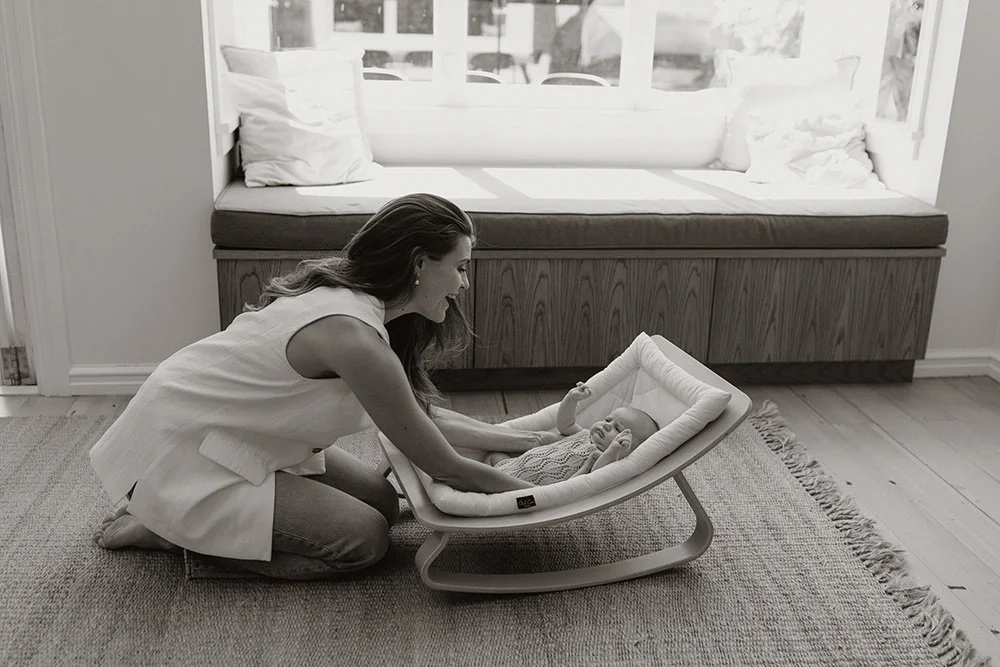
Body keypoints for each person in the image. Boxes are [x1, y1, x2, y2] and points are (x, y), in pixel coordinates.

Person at [89, 193, 561, 580]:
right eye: (459, 267)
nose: (464, 283)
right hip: (183, 449)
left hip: (234, 432)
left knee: (381, 502)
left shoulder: (362, 302)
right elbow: (443, 465)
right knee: (363, 541)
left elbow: (418, 416)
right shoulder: (353, 337)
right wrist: (547, 497)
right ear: (419, 263)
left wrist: (528, 438)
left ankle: (188, 521)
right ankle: (170, 532)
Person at [485, 382, 662, 486]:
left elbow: (599, 472)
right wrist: (571, 399)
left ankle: (475, 487)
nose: (606, 426)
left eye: (617, 429)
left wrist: (614, 450)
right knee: (493, 455)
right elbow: (565, 423)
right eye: (608, 420)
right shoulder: (583, 434)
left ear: (627, 447)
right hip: (511, 464)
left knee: (487, 481)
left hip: (525, 487)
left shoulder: (602, 459)